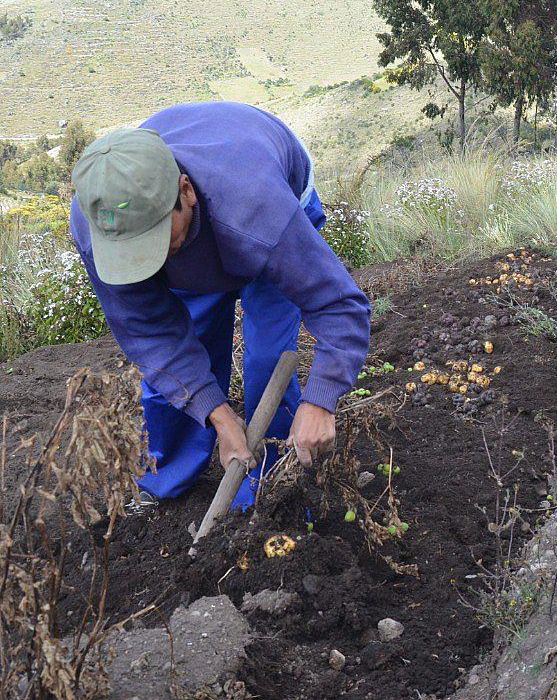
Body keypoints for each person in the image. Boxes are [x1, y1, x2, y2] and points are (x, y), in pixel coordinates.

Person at [69, 102, 371, 514]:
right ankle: (168, 478)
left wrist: (322, 400)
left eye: (157, 238)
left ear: (186, 192)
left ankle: (272, 482)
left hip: (261, 202)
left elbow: (338, 305)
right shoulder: (100, 222)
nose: (148, 261)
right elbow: (153, 335)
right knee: (178, 369)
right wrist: (220, 415)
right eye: (132, 251)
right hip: (209, 222)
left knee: (268, 361)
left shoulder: (260, 212)